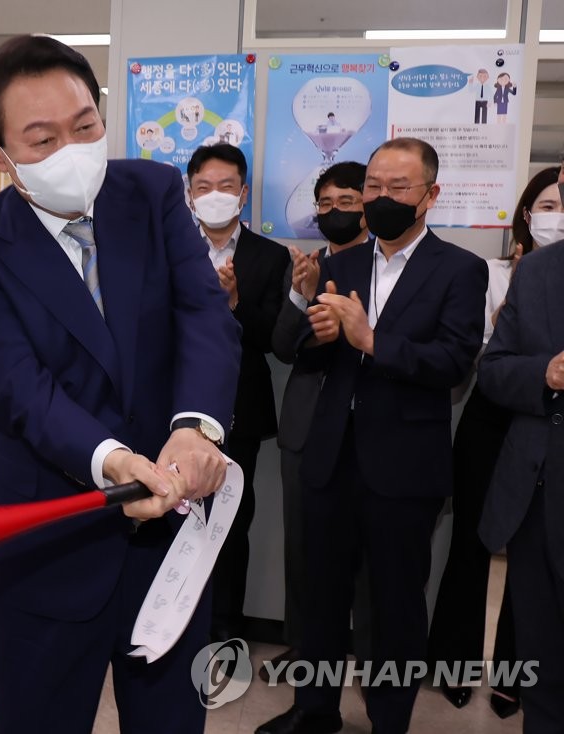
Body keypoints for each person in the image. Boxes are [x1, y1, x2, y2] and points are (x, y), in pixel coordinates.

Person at [0, 35, 241, 734]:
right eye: (40, 139)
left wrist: (194, 427)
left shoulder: (153, 191)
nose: (71, 151)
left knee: (169, 720)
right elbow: (20, 387)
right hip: (51, 537)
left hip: (172, 536)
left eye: (84, 127)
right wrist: (112, 462)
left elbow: (202, 312)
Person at [256, 137, 487, 734]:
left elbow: (454, 362)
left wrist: (371, 341)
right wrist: (317, 324)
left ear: (430, 195)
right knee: (320, 597)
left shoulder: (462, 268)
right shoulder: (341, 263)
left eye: (397, 189)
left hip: (404, 468)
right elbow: (301, 350)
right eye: (374, 189)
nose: (381, 199)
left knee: (392, 607)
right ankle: (315, 712)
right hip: (330, 457)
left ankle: (389, 719)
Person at [428, 166, 561, 719]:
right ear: (527, 214)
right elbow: (489, 363)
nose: (555, 216)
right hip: (497, 424)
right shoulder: (518, 274)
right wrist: (546, 373)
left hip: (540, 440)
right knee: (478, 545)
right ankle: (459, 667)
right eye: (548, 205)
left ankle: (514, 675)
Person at [268, 161, 371, 678]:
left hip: (368, 432)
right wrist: (300, 295)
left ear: (367, 206)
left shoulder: (386, 266)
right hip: (307, 429)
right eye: (325, 204)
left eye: (346, 202)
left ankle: (368, 659)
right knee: (303, 548)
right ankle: (304, 647)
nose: (333, 212)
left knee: (370, 559)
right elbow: (285, 348)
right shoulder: (306, 265)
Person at [186, 142, 288, 642]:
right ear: (189, 193)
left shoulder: (270, 257)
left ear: (243, 194)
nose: (215, 195)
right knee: (176, 518)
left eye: (226, 187)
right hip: (175, 408)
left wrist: (233, 306)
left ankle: (223, 630)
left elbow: (274, 336)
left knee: (230, 524)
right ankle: (178, 621)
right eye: (204, 187)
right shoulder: (169, 247)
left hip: (238, 410)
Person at [478, 180, 564, 734]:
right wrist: (546, 374)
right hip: (538, 495)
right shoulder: (537, 273)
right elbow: (493, 370)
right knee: (543, 662)